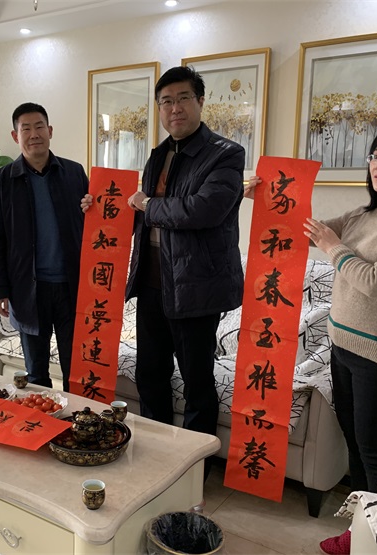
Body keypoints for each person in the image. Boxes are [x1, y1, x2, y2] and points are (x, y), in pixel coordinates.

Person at [249, 122, 377, 555]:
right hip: (343, 349)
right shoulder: (363, 214)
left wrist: (333, 247)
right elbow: (304, 228)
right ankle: (362, 532)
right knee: (355, 447)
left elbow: (376, 282)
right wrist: (265, 199)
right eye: (375, 155)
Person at [124, 66, 245, 471]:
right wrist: (104, 210)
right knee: (150, 375)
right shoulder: (157, 155)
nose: (174, 108)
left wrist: (147, 204)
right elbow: (145, 216)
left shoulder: (226, 154)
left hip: (197, 287)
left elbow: (204, 210)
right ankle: (157, 459)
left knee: (197, 381)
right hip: (152, 283)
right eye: (166, 101)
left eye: (183, 98)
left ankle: (195, 467)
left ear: (200, 102)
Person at [0, 102, 89, 392]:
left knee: (77, 371)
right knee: (36, 374)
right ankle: (41, 420)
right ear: (15, 136)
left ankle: (78, 420)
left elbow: (93, 225)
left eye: (39, 126)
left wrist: (93, 206)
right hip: (28, 290)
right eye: (25, 129)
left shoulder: (74, 173)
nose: (34, 134)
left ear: (50, 131)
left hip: (72, 287)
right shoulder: (0, 181)